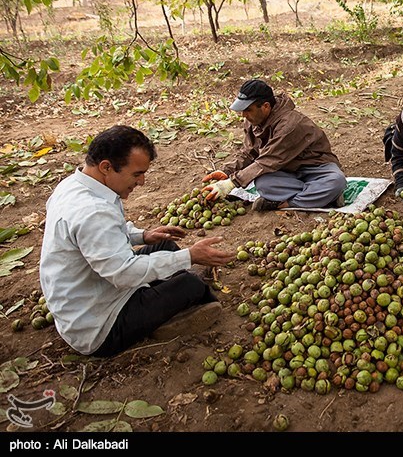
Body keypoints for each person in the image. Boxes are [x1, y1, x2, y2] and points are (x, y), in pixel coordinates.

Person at [39, 125, 235, 357]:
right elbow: (123, 274)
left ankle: (165, 303)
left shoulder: (73, 186)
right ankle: (167, 319)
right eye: (136, 174)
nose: (141, 182)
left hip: (90, 294)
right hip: (100, 326)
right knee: (190, 285)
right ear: (106, 167)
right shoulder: (92, 212)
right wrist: (189, 256)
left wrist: (143, 236)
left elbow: (102, 235)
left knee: (166, 246)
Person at [202, 78, 347, 210]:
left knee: (336, 181)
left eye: (247, 110)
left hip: (315, 167)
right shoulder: (253, 120)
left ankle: (291, 203)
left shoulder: (289, 125)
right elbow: (249, 152)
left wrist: (232, 183)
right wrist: (226, 172)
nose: (243, 115)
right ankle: (320, 197)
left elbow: (268, 161)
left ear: (265, 106)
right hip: (286, 170)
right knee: (263, 183)